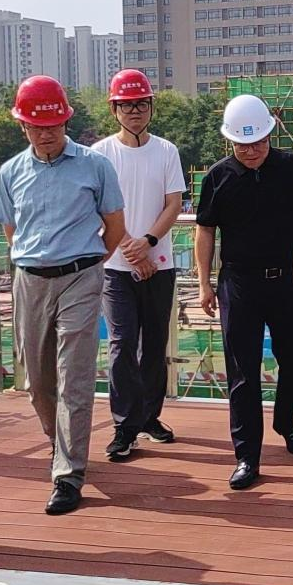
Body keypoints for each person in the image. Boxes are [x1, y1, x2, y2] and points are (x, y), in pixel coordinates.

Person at [0, 76, 126, 516]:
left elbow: (115, 227)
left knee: (75, 374)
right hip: (30, 279)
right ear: (23, 126)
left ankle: (68, 473)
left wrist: (89, 264)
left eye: (53, 125)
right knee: (37, 380)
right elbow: (11, 231)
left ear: (66, 121)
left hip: (81, 276)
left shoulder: (94, 166)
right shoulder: (10, 173)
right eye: (36, 126)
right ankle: (59, 440)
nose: (46, 134)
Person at [196, 93, 293, 490]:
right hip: (239, 284)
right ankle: (247, 455)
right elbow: (205, 231)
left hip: (288, 282)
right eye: (242, 144)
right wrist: (204, 283)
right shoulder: (218, 177)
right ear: (229, 140)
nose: (251, 151)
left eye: (258, 142)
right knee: (242, 372)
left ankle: (286, 423)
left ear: (270, 134)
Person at [91, 70, 185, 463]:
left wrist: (147, 243)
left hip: (159, 263)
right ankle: (124, 426)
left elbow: (174, 204)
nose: (134, 111)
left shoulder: (166, 151)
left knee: (155, 345)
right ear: (114, 109)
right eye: (127, 105)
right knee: (122, 343)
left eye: (141, 104)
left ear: (151, 107)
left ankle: (149, 417)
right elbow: (98, 207)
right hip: (115, 266)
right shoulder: (99, 154)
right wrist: (130, 248)